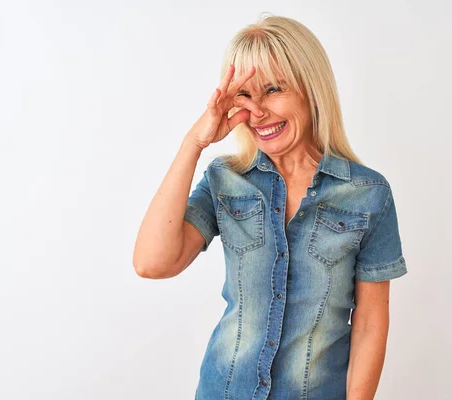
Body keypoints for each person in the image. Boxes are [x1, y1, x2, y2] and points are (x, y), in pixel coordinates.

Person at [133, 14, 408, 400]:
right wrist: (194, 142)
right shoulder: (225, 179)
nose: (257, 112)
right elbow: (153, 263)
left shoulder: (367, 193)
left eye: (274, 90)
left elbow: (369, 324)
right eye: (245, 96)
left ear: (311, 91)